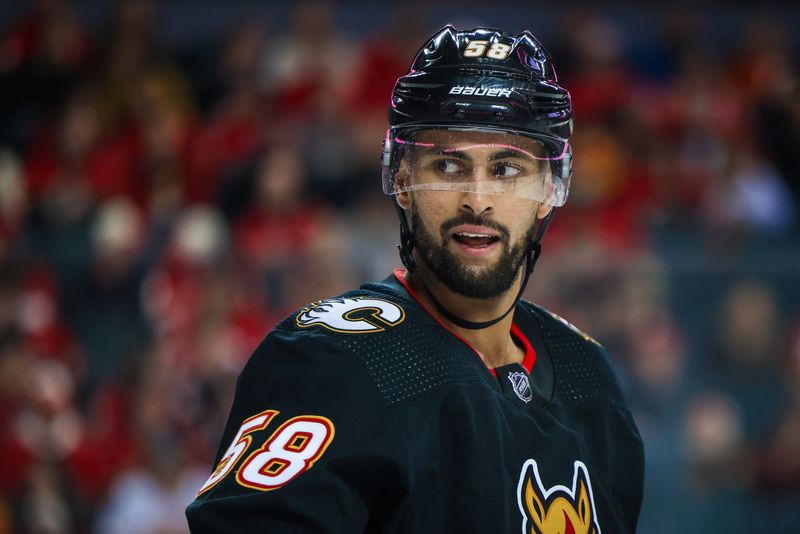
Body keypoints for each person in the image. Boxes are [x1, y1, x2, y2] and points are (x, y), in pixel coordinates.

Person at [186, 25, 644, 533]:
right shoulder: (330, 361)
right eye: (447, 165)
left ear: (550, 187)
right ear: (401, 180)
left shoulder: (589, 376)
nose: (478, 198)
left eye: (508, 168)